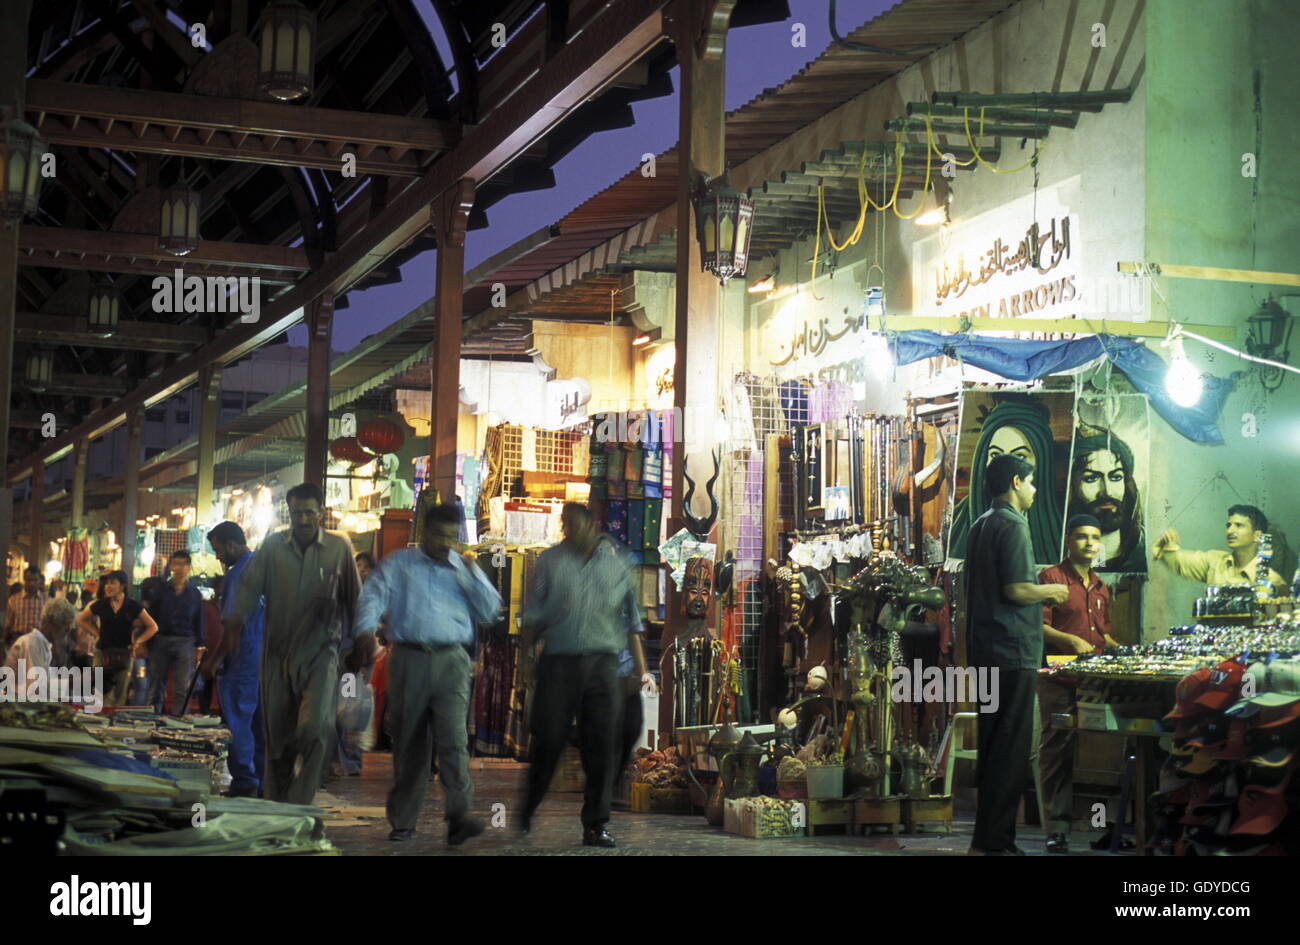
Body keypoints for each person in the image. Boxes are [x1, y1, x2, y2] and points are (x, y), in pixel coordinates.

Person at [352, 503, 500, 845]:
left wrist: (469, 572)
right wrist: (365, 630)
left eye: (451, 536)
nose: (444, 542)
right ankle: (403, 822)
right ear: (424, 532)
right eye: (438, 534)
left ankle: (459, 816)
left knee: (454, 742)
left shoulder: (463, 567)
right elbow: (372, 597)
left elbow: (491, 610)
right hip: (409, 659)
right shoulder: (399, 565)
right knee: (410, 745)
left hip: (452, 661)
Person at [520, 502, 657, 847]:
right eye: (565, 524)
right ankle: (527, 808)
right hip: (559, 662)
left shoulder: (619, 565)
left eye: (575, 524)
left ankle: (596, 824)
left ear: (592, 524)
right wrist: (525, 656)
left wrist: (640, 672)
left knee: (602, 745)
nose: (570, 531)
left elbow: (633, 623)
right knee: (549, 738)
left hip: (603, 665)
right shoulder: (549, 562)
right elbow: (534, 615)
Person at [222, 482, 362, 805]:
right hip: (276, 656)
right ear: (290, 512)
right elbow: (247, 590)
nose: (302, 520)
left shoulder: (339, 549)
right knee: (278, 742)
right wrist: (233, 623)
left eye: (309, 512)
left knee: (316, 728)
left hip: (321, 654)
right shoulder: (272, 548)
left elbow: (355, 598)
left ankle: (300, 804)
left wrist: (363, 636)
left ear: (322, 513)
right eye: (297, 512)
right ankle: (277, 810)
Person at [964, 454, 1069, 856]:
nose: (1035, 489)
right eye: (1031, 482)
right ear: (1015, 481)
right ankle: (996, 844)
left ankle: (984, 842)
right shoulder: (1013, 524)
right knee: (1009, 751)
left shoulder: (979, 525)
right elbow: (1018, 590)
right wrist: (1052, 591)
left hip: (986, 651)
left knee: (994, 748)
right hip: (1012, 653)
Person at [1036, 515, 1117, 855]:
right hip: (1058, 678)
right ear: (1068, 541)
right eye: (1082, 536)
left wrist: (1118, 647)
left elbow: (1103, 633)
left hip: (1095, 678)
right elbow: (1037, 627)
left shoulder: (1101, 586)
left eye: (1095, 537)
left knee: (1103, 750)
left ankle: (1103, 827)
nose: (1089, 543)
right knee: (1057, 750)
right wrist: (1069, 640)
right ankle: (1058, 830)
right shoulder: (1050, 579)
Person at [950, 397, 1066, 567]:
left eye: (1019, 456)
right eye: (995, 455)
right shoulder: (961, 518)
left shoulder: (1064, 518)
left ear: (1041, 459)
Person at [201, 522, 267, 799]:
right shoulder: (262, 568)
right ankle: (261, 779)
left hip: (242, 658)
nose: (218, 556)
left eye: (217, 550)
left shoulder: (237, 575)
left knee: (238, 721)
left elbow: (232, 628)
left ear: (230, 545)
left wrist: (213, 661)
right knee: (258, 724)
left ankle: (244, 781)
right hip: (263, 657)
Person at [1153, 504, 1286, 594]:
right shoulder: (1215, 561)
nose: (1230, 531)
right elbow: (1181, 561)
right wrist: (1168, 545)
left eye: (1239, 525)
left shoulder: (1271, 580)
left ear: (1257, 535)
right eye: (1228, 525)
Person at [1067, 429, 1146, 573]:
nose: (1107, 491)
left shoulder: (1143, 550)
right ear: (1072, 485)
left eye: (1116, 477)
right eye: (1091, 478)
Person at [77, 570, 158, 708]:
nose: (107, 587)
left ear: (122, 586)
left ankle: (115, 723)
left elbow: (153, 627)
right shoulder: (101, 604)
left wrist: (138, 642)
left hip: (124, 653)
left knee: (121, 693)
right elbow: (81, 620)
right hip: (102, 652)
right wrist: (97, 634)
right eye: (107, 584)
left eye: (112, 583)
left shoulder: (132, 606)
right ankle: (98, 720)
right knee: (99, 690)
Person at [145, 551, 203, 715]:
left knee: (182, 688)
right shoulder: (161, 590)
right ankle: (152, 720)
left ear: (189, 567)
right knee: (155, 686)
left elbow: (199, 621)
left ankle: (177, 724)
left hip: (186, 642)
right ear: (171, 566)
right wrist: (145, 641)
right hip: (160, 640)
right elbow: (150, 616)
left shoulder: (195, 594)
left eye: (183, 564)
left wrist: (201, 645)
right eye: (176, 563)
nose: (179, 568)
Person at [5, 598, 79, 700]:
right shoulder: (32, 643)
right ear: (49, 623)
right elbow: (35, 687)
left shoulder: (43, 645)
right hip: (16, 704)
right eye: (65, 624)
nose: (68, 629)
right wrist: (73, 682)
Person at [4, 567, 48, 650]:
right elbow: (9, 623)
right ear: (24, 580)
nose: (32, 583)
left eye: (35, 580)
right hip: (20, 642)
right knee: (21, 663)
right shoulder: (14, 600)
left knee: (36, 663)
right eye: (29, 580)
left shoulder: (46, 600)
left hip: (39, 643)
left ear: (40, 581)